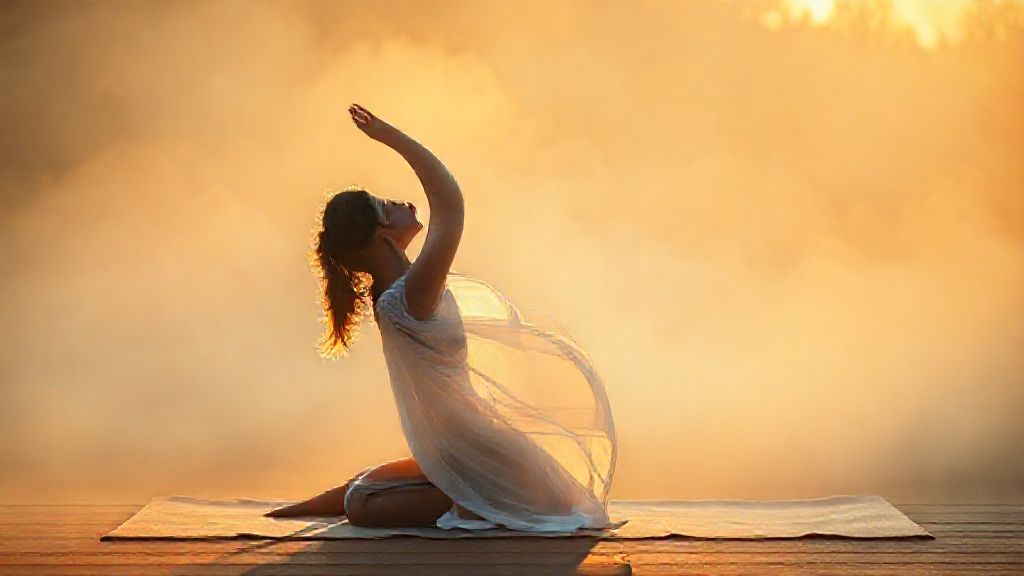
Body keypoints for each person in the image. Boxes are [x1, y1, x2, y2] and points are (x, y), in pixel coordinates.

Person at [265, 103, 619, 531]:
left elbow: (447, 211)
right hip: (471, 451)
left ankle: (460, 499)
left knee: (361, 501)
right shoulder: (406, 295)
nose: (402, 203)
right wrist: (388, 136)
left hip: (484, 453)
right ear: (382, 235)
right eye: (387, 205)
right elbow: (449, 207)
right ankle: (371, 496)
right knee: (360, 493)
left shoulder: (406, 290)